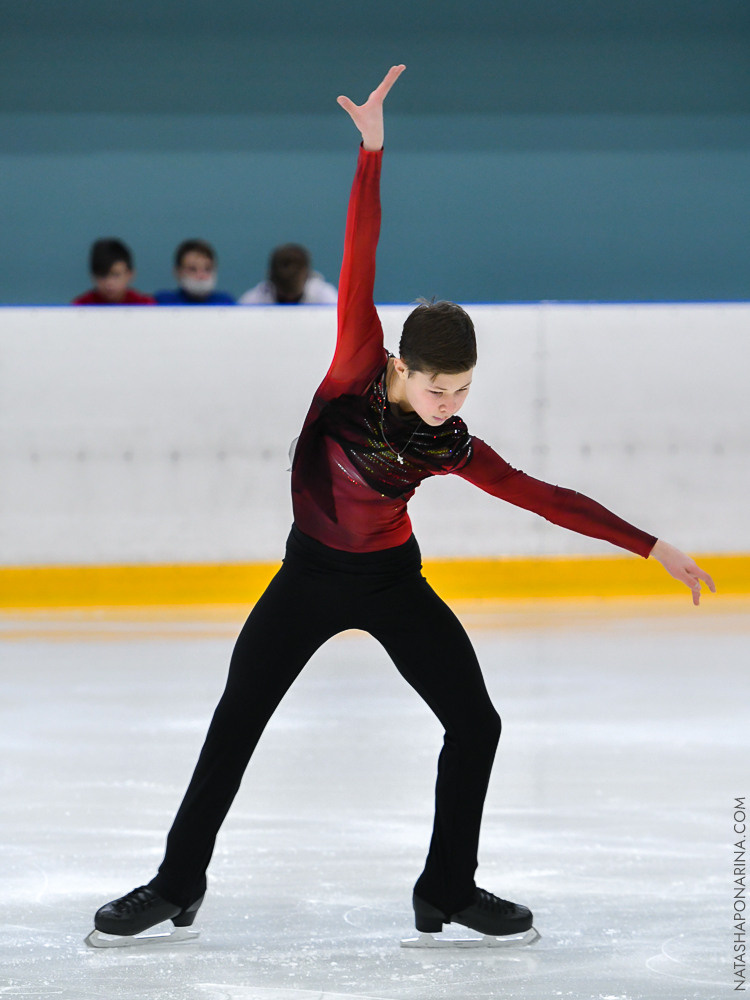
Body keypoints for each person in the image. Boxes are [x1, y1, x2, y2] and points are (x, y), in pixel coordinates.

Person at [91, 66, 715, 946]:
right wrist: (373, 151)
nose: (452, 402)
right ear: (402, 368)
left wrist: (651, 547)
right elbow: (360, 257)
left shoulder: (449, 444)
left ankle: (446, 888)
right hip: (308, 577)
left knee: (477, 722)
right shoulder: (354, 365)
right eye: (439, 387)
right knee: (236, 723)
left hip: (391, 581)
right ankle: (175, 883)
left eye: (464, 389)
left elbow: (543, 497)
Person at [240, 243, 338, 304]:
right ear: (270, 279)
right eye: (282, 299)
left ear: (308, 277)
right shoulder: (252, 301)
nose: (289, 301)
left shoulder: (327, 299)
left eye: (295, 298)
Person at [72, 238, 156, 305]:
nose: (109, 283)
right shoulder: (80, 308)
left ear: (130, 275)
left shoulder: (145, 306)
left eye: (116, 275)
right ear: (93, 276)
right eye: (103, 276)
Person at [154, 239, 235, 305]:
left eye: (207, 269)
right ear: (178, 272)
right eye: (193, 269)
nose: (201, 276)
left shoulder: (225, 303)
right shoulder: (163, 302)